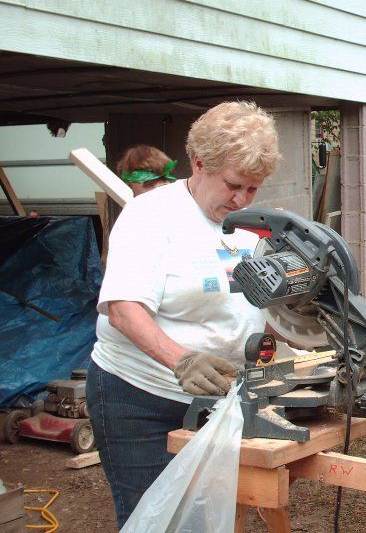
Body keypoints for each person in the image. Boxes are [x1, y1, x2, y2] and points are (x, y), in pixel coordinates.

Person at [86, 101, 282, 529]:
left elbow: (252, 300)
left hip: (218, 396)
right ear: (198, 164)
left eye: (253, 189)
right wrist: (183, 360)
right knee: (153, 519)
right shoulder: (151, 215)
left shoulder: (247, 224)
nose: (242, 199)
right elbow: (123, 309)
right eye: (234, 185)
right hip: (140, 396)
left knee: (206, 517)